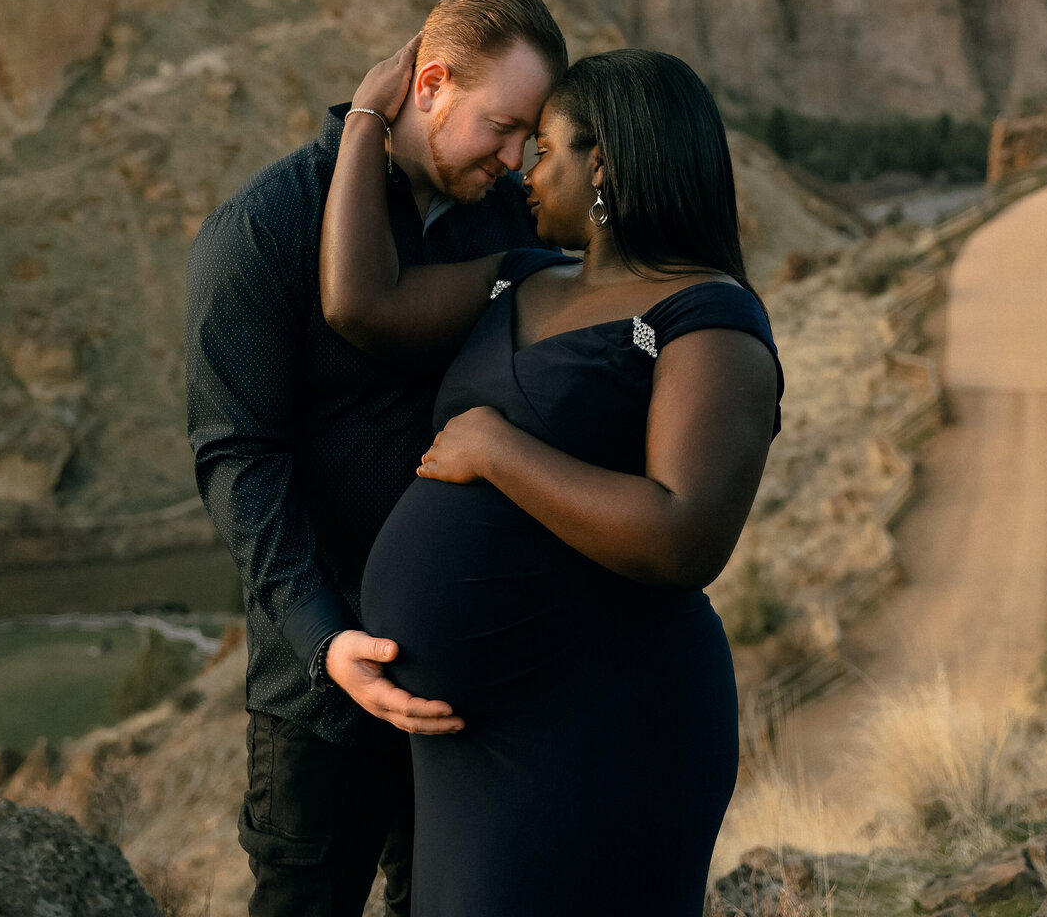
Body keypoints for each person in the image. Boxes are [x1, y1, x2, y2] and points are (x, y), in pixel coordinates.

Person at [320, 45, 783, 917]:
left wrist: (499, 452)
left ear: (600, 160)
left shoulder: (706, 317)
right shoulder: (519, 278)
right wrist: (365, 123)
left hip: (604, 724)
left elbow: (684, 536)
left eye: (547, 151)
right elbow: (360, 304)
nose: (523, 175)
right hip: (470, 740)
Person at [185, 0, 568, 917]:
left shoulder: (511, 220)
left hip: (480, 678)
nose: (518, 160)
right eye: (503, 127)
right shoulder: (265, 229)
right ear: (431, 84)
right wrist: (326, 640)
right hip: (322, 695)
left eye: (533, 139)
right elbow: (239, 456)